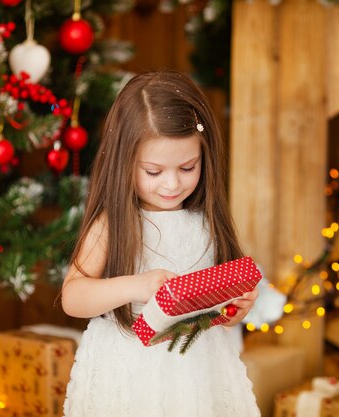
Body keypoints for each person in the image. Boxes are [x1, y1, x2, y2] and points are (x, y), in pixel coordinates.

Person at [61, 70, 260, 417]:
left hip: (199, 369)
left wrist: (234, 311)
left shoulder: (206, 222)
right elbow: (73, 297)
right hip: (129, 368)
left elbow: (218, 307)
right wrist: (137, 285)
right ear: (125, 162)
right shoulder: (114, 223)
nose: (171, 184)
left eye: (187, 167)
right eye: (153, 171)